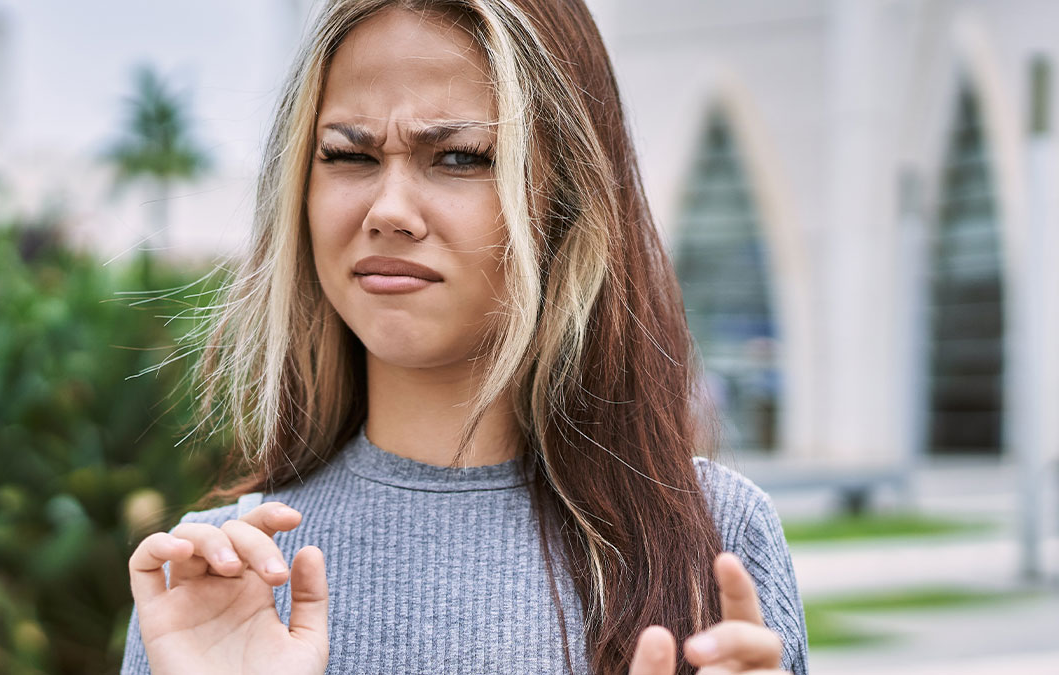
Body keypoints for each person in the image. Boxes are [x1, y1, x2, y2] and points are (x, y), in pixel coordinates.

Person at [121, 1, 808, 673]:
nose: (388, 210)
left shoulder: (717, 541)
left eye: (457, 157)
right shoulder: (212, 583)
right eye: (348, 155)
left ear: (566, 200)